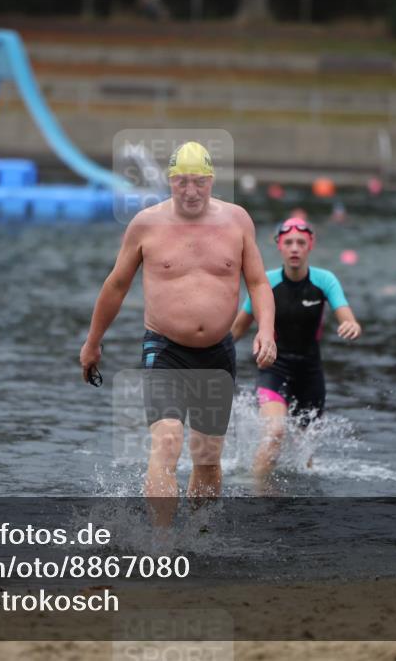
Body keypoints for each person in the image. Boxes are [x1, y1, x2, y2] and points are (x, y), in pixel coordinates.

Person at [79, 141, 276, 524]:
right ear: (170, 181)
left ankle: (199, 539)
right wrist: (92, 342)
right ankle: (162, 544)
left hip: (217, 354)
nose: (190, 191)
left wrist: (266, 331)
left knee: (207, 461)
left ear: (211, 180)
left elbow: (258, 282)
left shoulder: (237, 221)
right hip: (165, 350)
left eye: (198, 182)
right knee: (168, 440)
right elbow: (116, 286)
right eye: (182, 182)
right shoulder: (146, 224)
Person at [230, 215, 361, 491]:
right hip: (273, 369)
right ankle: (257, 492)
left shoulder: (325, 280)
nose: (294, 248)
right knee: (275, 432)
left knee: (305, 456)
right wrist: (207, 354)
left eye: (301, 242)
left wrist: (350, 324)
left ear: (310, 246)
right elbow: (237, 329)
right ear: (278, 245)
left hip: (311, 374)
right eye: (288, 242)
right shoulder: (266, 282)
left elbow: (345, 315)